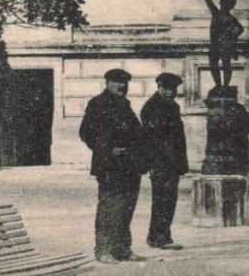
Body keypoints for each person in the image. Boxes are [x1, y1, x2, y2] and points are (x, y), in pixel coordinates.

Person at [78, 68, 145, 262]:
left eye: (124, 82)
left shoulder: (125, 105)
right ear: (107, 83)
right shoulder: (97, 104)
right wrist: (108, 149)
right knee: (109, 208)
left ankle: (122, 248)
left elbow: (137, 134)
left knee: (127, 207)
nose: (121, 86)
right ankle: (103, 250)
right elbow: (86, 133)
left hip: (130, 164)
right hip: (109, 164)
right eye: (116, 82)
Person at [140, 72, 188, 250]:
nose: (170, 92)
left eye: (173, 89)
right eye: (166, 89)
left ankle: (160, 235)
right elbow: (153, 139)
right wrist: (152, 163)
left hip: (171, 162)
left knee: (168, 200)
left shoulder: (171, 106)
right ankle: (159, 237)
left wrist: (180, 164)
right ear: (159, 87)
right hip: (160, 162)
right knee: (162, 200)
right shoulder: (152, 107)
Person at [204, 0, 243, 90]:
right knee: (215, 65)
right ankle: (220, 86)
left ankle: (223, 86)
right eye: (223, 3)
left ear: (228, 6)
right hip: (217, 45)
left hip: (222, 45)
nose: (223, 5)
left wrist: (233, 35)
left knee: (223, 65)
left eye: (225, 4)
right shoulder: (219, 14)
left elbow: (240, 29)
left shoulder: (226, 17)